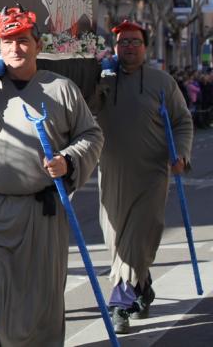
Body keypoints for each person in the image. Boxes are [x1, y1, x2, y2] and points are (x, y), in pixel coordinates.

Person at [0, 5, 104, 347]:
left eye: (23, 40)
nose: (15, 48)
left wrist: (68, 161)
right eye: (8, 41)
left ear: (37, 44)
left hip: (42, 212)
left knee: (41, 300)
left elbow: (92, 135)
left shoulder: (61, 88)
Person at [90, 20, 193, 334]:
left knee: (136, 240)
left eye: (135, 42)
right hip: (111, 174)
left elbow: (183, 122)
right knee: (116, 242)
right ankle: (143, 288)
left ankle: (120, 305)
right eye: (123, 42)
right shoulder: (102, 80)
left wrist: (182, 156)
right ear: (116, 47)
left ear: (145, 47)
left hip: (151, 174)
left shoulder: (162, 82)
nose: (129, 47)